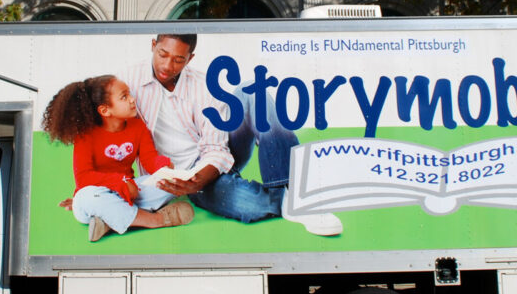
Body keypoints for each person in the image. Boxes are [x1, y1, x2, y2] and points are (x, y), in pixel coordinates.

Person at [121, 34, 342, 236]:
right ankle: (283, 200)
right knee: (247, 204)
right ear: (153, 46)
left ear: (190, 58)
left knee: (252, 90)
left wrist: (198, 181)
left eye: (178, 60)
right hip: (166, 175)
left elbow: (216, 150)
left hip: (206, 166)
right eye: (162, 54)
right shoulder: (129, 80)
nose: (167, 66)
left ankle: (295, 191)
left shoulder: (203, 86)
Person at [42, 74, 194, 242]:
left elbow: (149, 159)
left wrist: (164, 167)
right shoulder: (86, 136)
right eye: (124, 97)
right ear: (105, 110)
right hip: (101, 191)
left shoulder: (137, 127)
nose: (132, 99)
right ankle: (155, 220)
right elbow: (84, 178)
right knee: (87, 197)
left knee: (167, 185)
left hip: (130, 193)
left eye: (129, 94)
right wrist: (119, 182)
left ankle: (108, 221)